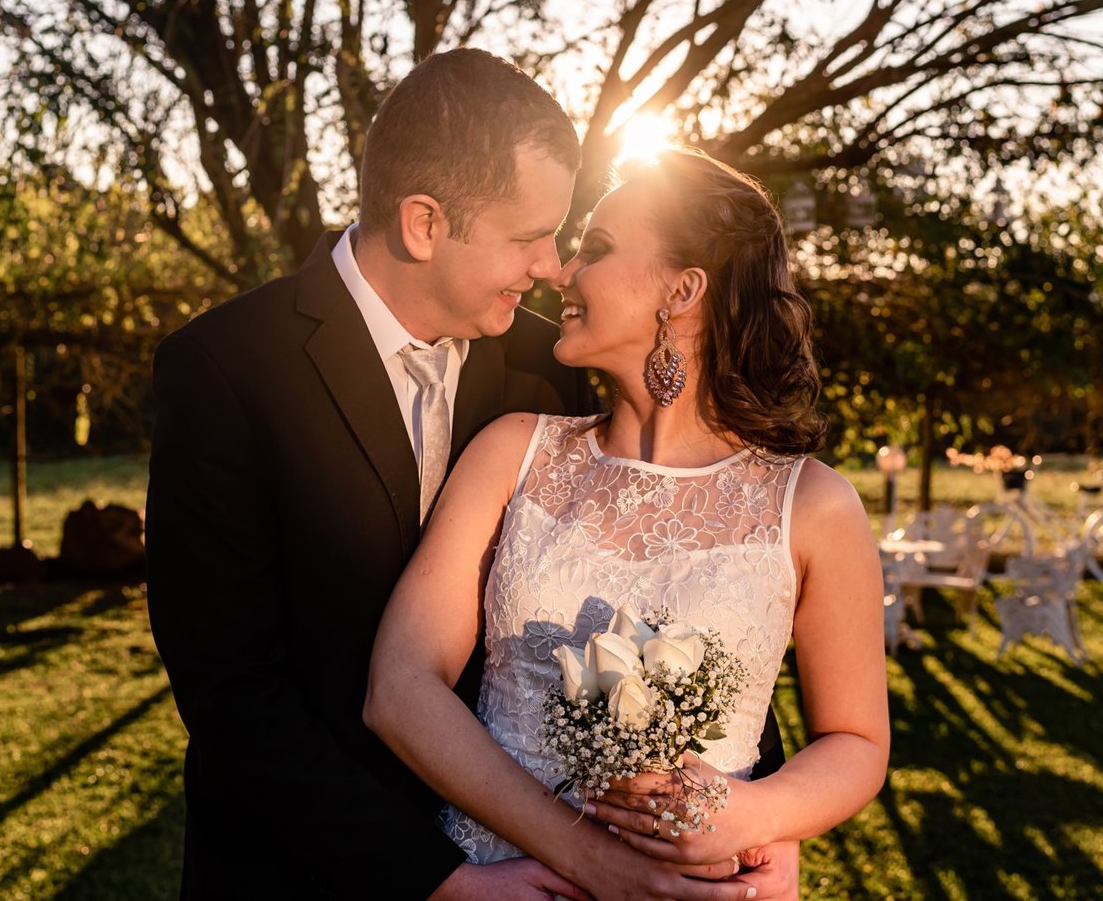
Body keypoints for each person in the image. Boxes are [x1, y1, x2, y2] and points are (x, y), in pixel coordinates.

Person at [145, 49, 791, 901]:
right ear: (423, 223)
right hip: (300, 869)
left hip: (527, 848)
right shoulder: (227, 368)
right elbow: (232, 695)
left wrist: (757, 807)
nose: (553, 266)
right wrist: (439, 879)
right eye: (529, 236)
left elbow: (658, 566)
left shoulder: (544, 363)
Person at [366, 148, 890, 901]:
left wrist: (754, 812)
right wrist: (583, 859)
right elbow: (399, 687)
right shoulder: (511, 452)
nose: (561, 272)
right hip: (505, 882)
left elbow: (857, 743)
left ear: (682, 290)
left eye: (598, 249)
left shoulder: (814, 505)